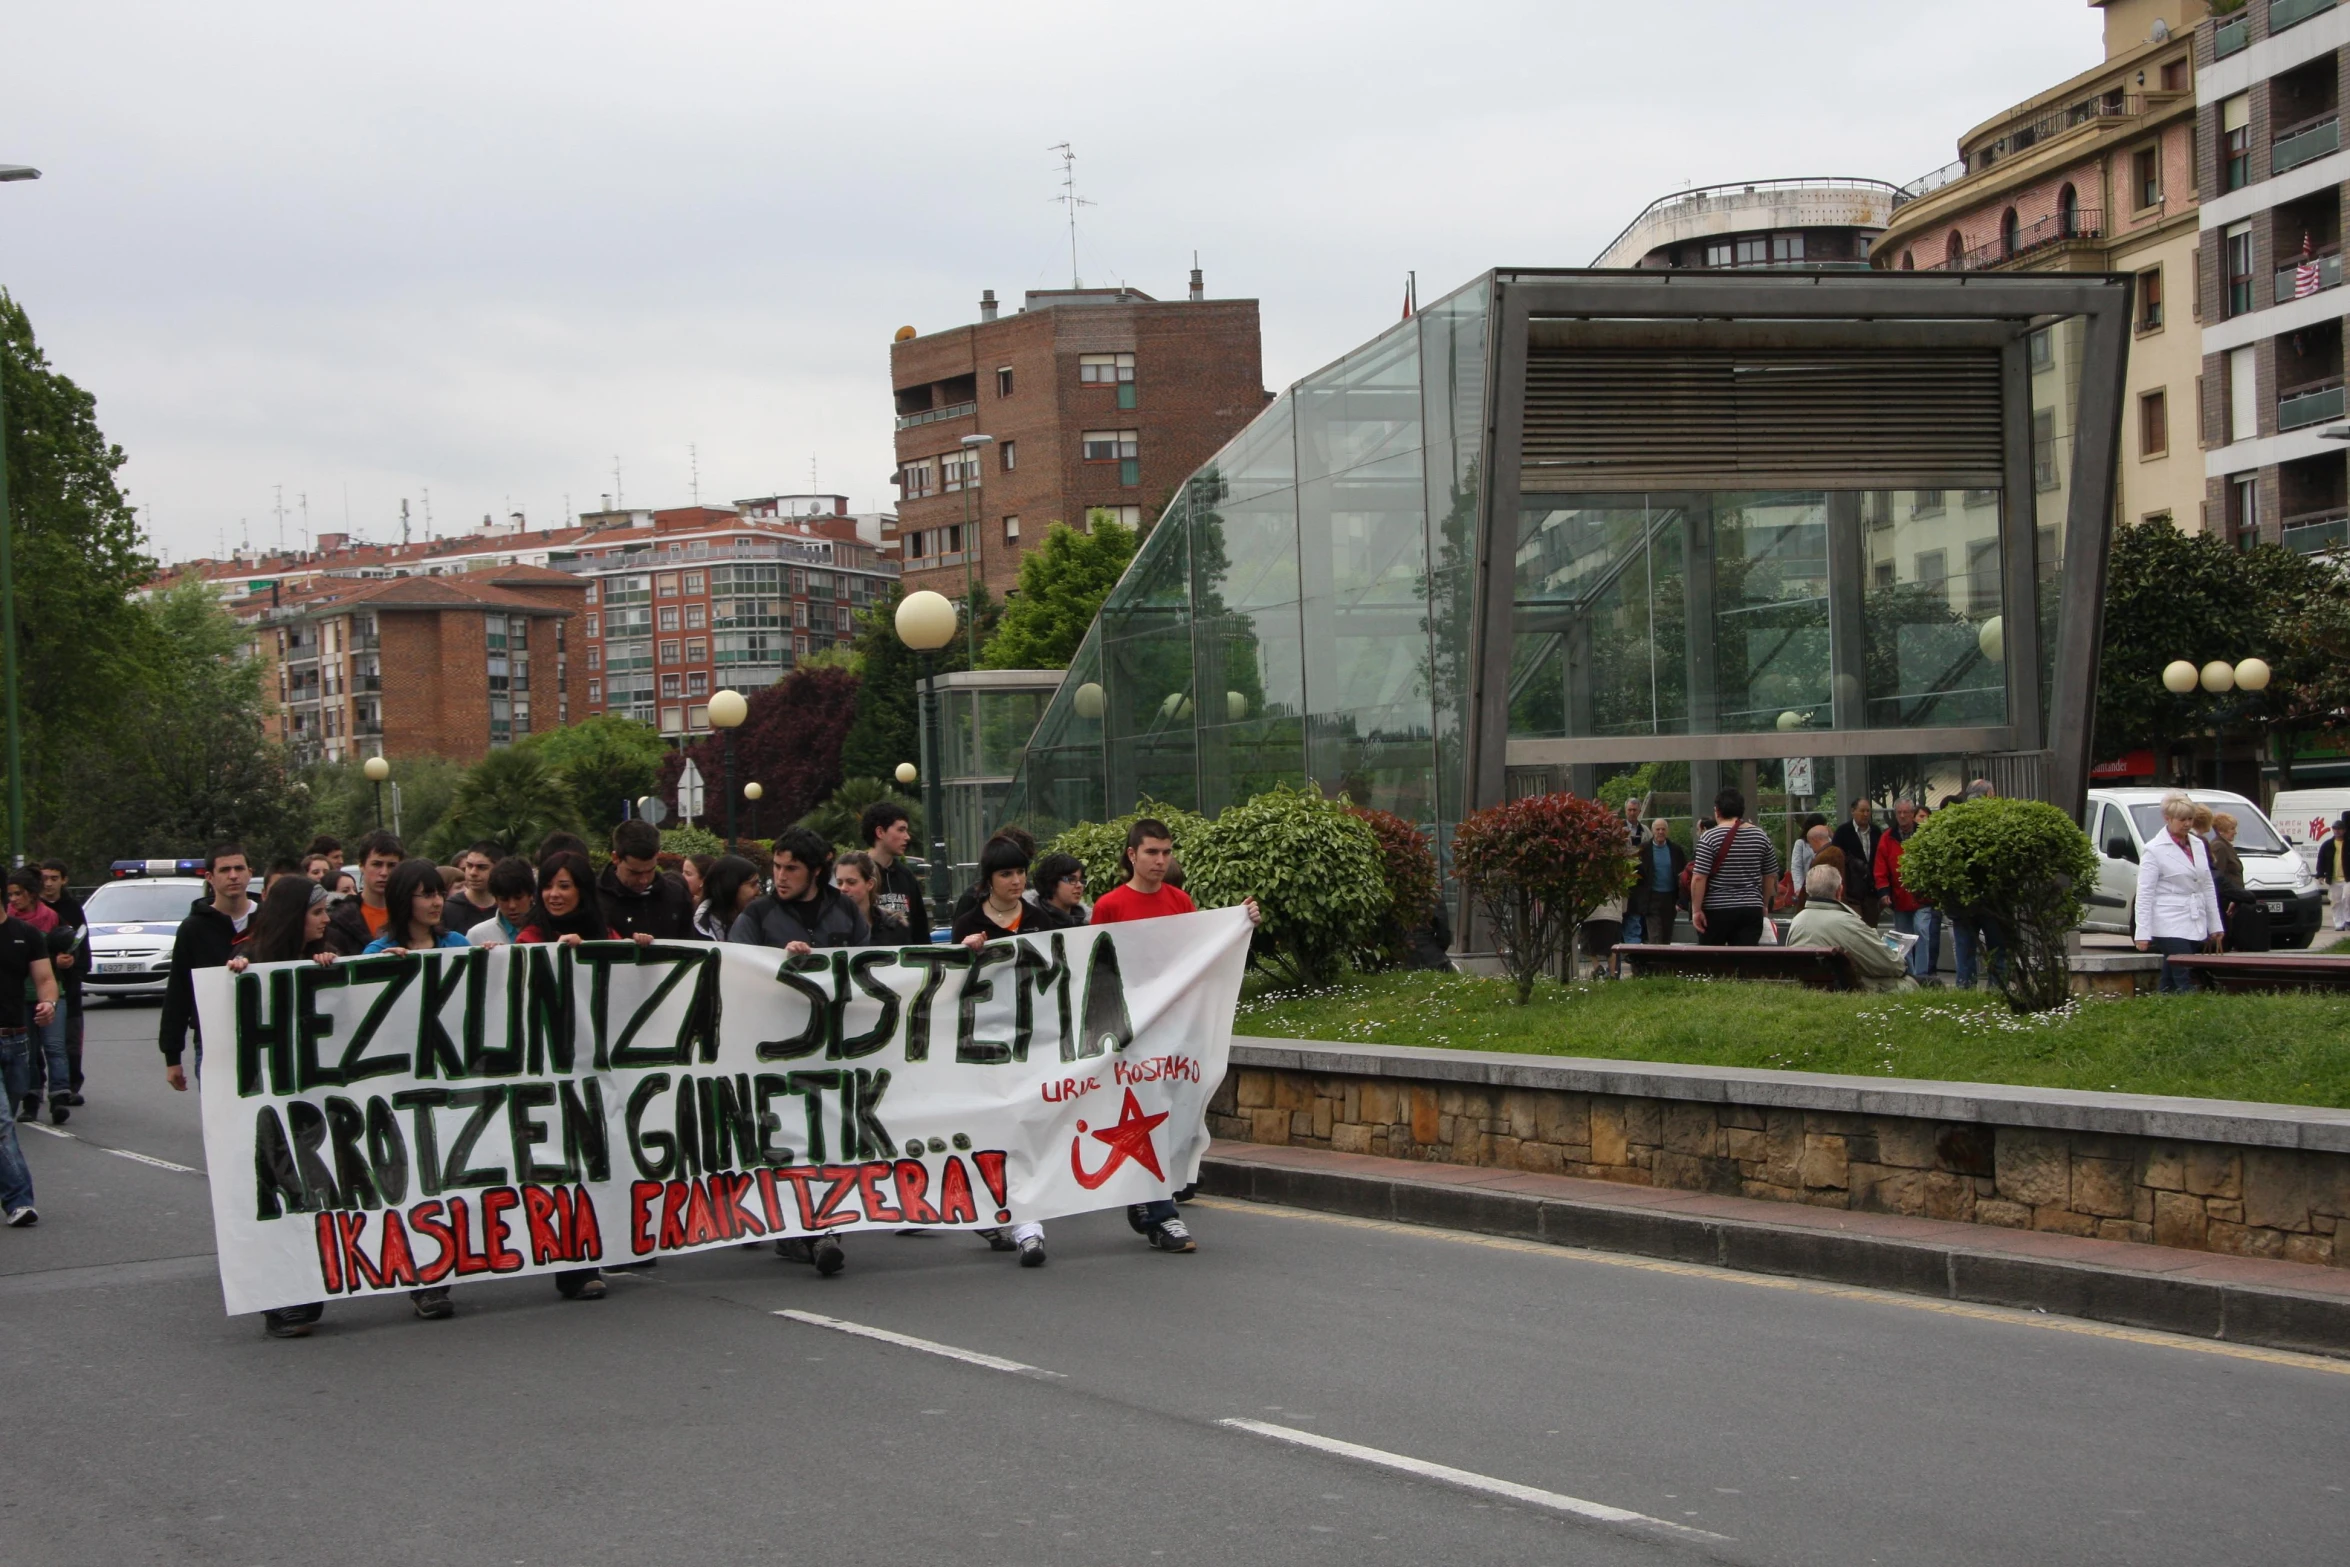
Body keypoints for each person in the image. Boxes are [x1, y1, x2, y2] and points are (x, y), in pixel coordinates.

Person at [1090, 818, 1260, 1254]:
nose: (1161, 861)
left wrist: (1241, 923)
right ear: (1132, 855)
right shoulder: (1110, 905)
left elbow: (1197, 956)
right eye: (1151, 852)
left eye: (1166, 852)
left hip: (1175, 1031)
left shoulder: (1179, 900)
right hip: (1132, 1034)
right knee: (1145, 1115)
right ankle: (1162, 1214)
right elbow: (1097, 968)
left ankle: (1149, 1203)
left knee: (1170, 1115)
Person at [222, 876, 342, 1337]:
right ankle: (282, 1299)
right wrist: (236, 976)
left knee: (313, 1196)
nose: (326, 920)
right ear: (295, 915)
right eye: (317, 913)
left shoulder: (322, 957)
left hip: (313, 1108)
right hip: (268, 1107)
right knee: (278, 1195)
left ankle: (306, 1293)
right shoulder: (249, 960)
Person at [950, 838, 1066, 1266]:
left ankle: (1028, 1227)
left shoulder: (1042, 919)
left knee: (1026, 1129)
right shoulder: (967, 923)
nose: (1016, 881)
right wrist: (964, 956)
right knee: (993, 1130)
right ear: (989, 881)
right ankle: (994, 1209)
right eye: (1006, 874)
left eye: (1020, 872)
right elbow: (945, 982)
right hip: (985, 1046)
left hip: (1034, 1044)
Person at [159, 844, 257, 1098]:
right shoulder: (193, 929)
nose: (233, 875)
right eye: (225, 870)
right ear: (210, 878)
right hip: (213, 1040)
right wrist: (172, 1056)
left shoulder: (270, 919)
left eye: (239, 868)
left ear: (250, 873)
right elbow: (179, 992)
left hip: (265, 1038)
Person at [0, 882, 57, 1228]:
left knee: (7, 1116)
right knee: (3, 1123)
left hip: (17, 1040)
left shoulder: (26, 935)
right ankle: (20, 1201)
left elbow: (46, 979)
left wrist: (48, 1003)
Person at [2136, 792, 2225, 993]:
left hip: (2194, 918)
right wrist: (2142, 932)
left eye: (2190, 819)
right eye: (2181, 819)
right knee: (2185, 973)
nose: (2186, 824)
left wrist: (2215, 924)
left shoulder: (2198, 844)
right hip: (2167, 921)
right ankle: (2192, 1011)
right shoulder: (2153, 849)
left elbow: (2207, 885)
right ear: (2167, 819)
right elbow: (2144, 892)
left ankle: (2161, 1008)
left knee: (2170, 977)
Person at [731, 828, 868, 954]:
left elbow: (867, 960)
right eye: (777, 866)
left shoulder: (845, 908)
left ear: (816, 870)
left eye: (791, 868)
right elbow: (740, 967)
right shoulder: (756, 914)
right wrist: (780, 960)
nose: (781, 877)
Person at [1786, 866, 1917, 993]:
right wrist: (1900, 963)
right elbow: (1889, 965)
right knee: (1908, 982)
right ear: (1839, 891)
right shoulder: (1847, 922)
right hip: (1845, 988)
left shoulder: (1797, 920)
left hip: (1808, 987)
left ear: (1808, 890)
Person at [7, 871, 68, 1124]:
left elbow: (63, 948)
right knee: (29, 1051)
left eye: (18, 894)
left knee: (54, 1046)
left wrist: (65, 959)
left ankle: (60, 1096)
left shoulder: (50, 917)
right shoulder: (8, 922)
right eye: (9, 895)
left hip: (51, 994)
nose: (13, 899)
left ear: (31, 894)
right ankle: (31, 1099)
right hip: (21, 997)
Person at [1688, 788, 1780, 948]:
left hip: (1716, 909)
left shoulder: (1709, 837)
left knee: (1712, 960)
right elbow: (1770, 875)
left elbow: (1698, 877)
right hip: (1751, 908)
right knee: (1744, 961)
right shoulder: (1761, 836)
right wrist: (1763, 905)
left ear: (1717, 811)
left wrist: (1696, 910)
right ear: (1742, 810)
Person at [37, 861, 85, 1109]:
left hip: (69, 984)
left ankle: (70, 1086)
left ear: (64, 880)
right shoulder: (34, 909)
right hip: (40, 985)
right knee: (42, 1042)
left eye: (54, 878)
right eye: (44, 878)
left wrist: (73, 962)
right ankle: (38, 1087)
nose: (48, 883)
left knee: (70, 1040)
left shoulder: (72, 908)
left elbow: (82, 943)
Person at [600, 819, 698, 941]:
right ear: (616, 858)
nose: (644, 880)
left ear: (658, 856)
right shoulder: (594, 898)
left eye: (650, 870)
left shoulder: (677, 895)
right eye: (635, 873)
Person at [1875, 799, 1938, 981]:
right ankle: (1908, 975)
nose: (1902, 816)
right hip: (1899, 897)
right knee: (1902, 939)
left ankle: (1922, 975)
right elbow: (1880, 869)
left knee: (1922, 931)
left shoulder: (1925, 834)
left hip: (1922, 896)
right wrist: (1884, 892)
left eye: (1906, 812)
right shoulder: (1887, 838)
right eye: (1899, 813)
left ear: (1912, 814)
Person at [360, 860, 471, 954]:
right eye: (428, 895)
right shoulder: (378, 952)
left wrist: (486, 954)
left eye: (441, 894)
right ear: (403, 898)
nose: (438, 902)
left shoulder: (457, 943)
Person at [324, 829, 405, 955]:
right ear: (362, 865)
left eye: (391, 866)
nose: (384, 873)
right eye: (377, 864)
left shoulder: (411, 913)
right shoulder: (340, 917)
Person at [860, 801, 929, 939]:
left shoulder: (906, 875)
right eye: (901, 830)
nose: (907, 837)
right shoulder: (858, 874)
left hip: (905, 958)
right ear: (880, 832)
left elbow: (920, 928)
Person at [2210, 811, 2271, 953]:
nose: (2235, 832)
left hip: (2234, 899)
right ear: (2221, 830)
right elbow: (2219, 875)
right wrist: (2233, 897)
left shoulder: (2226, 845)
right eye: (2232, 829)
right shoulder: (2219, 846)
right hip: (2227, 900)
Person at [1625, 818, 1686, 945]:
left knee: (1667, 935)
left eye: (1663, 829)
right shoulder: (1643, 850)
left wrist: (1682, 899)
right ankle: (1655, 963)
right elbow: (1636, 873)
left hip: (1670, 898)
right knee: (1655, 935)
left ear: (1667, 831)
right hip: (1651, 897)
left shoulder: (1676, 850)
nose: (1660, 832)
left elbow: (1683, 875)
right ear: (1652, 831)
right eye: (1657, 829)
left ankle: (1665, 963)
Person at [834, 851, 911, 945]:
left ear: (870, 884)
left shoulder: (894, 926)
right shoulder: (828, 926)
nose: (843, 888)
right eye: (839, 883)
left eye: (851, 882)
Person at [1832, 801, 1886, 928]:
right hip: (1851, 891)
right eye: (1862, 811)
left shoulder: (1876, 831)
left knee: (1871, 928)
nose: (1866, 814)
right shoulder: (1843, 832)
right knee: (1855, 928)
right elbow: (1836, 857)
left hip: (1872, 890)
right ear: (1853, 811)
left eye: (1868, 811)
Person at [465, 857, 539, 947]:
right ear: (496, 899)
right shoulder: (477, 935)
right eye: (504, 899)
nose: (512, 906)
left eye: (518, 898)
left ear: (531, 895)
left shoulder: (549, 929)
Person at [693, 855, 764, 942]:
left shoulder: (760, 919)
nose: (758, 891)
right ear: (730, 887)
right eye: (752, 884)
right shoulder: (699, 929)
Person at [448, 842, 502, 925]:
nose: (473, 873)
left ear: (498, 868)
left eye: (482, 867)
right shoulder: (449, 909)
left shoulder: (506, 909)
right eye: (469, 866)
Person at [1032, 852, 1091, 925]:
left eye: (1081, 880)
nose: (1079, 885)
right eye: (1071, 879)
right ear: (1052, 882)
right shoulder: (1028, 923)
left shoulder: (1088, 923)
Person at [1788, 821, 1831, 908]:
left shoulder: (1830, 845)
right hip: (1806, 884)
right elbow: (1796, 867)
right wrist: (1798, 888)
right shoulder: (1801, 843)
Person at [2322, 814, 2350, 933]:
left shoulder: (2348, 843)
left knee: (2347, 898)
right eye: (2335, 829)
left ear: (2344, 830)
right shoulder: (2328, 845)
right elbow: (2321, 859)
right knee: (2336, 901)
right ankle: (2339, 923)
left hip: (2347, 878)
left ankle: (2347, 920)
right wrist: (2320, 874)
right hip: (2333, 878)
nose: (2337, 831)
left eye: (2339, 829)